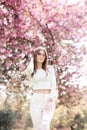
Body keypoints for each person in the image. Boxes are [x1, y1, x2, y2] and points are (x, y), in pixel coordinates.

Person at [23, 46, 57, 130]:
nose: (41, 56)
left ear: (45, 57)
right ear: (35, 56)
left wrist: (51, 98)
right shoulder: (31, 71)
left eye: (43, 55)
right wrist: (32, 59)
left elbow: (53, 85)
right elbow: (29, 68)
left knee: (45, 126)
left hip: (48, 100)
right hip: (36, 100)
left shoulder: (50, 69)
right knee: (37, 127)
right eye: (39, 54)